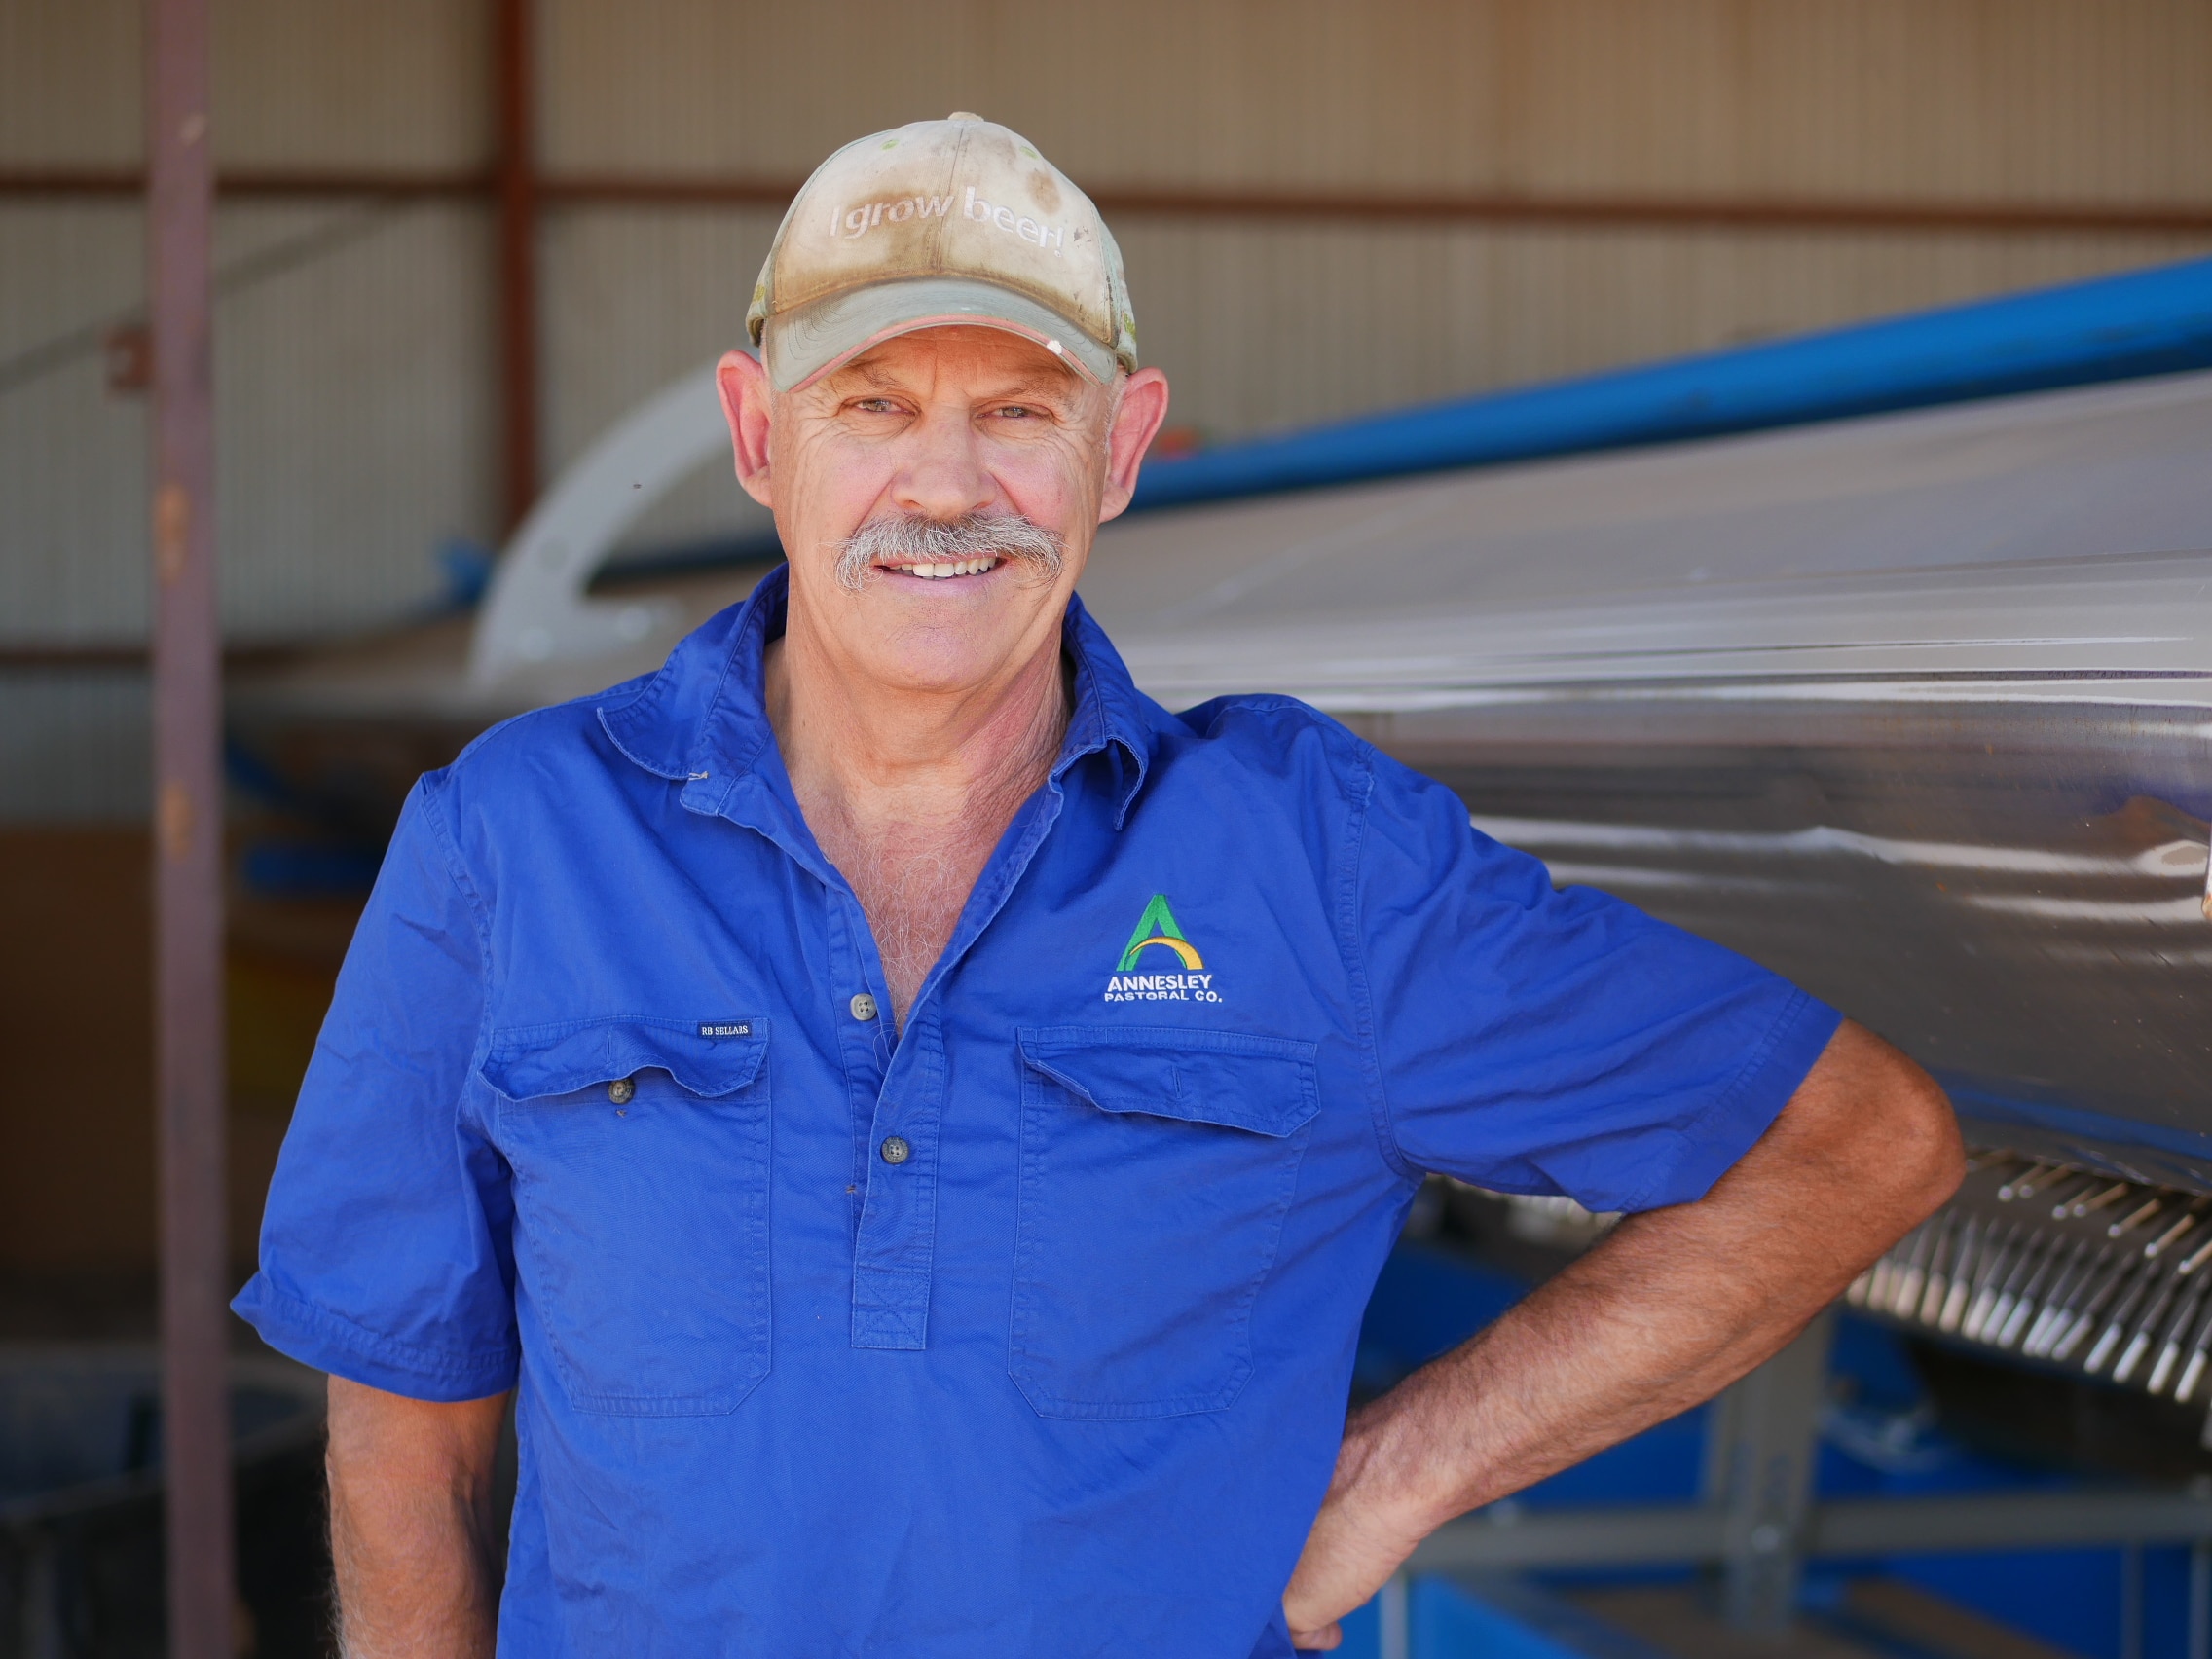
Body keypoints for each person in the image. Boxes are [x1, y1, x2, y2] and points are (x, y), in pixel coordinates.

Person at [236, 115, 1961, 1657]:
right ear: (758, 434)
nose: (944, 485)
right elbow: (405, 1417)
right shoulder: (515, 841)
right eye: (873, 405)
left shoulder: (1312, 861)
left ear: (1121, 448)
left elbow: (1855, 1143)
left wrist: (1405, 1470)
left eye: (1018, 411)